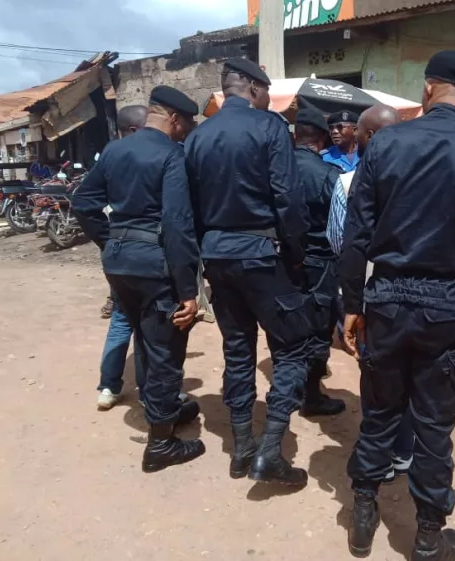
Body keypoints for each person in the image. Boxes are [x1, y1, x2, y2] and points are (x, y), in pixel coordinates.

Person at [340, 51, 455, 560]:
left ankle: (363, 518)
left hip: (388, 298)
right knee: (433, 425)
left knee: (379, 412)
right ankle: (426, 536)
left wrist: (352, 304)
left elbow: (356, 234)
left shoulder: (386, 143)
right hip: (445, 304)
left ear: (428, 88)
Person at [184, 58, 313, 487]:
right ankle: (270, 451)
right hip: (264, 254)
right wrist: (296, 254)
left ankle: (242, 448)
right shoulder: (269, 127)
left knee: (238, 349)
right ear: (254, 88)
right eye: (267, 90)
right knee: (293, 348)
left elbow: (190, 209)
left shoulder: (198, 137)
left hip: (218, 257)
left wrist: (204, 257)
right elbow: (287, 197)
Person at [73, 86, 205, 473]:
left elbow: (84, 203)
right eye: (188, 123)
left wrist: (112, 241)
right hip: (155, 266)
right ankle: (161, 445)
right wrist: (188, 291)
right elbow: (178, 225)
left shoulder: (114, 149)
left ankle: (164, 411)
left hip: (118, 264)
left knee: (146, 341)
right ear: (175, 120)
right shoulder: (171, 156)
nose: (188, 131)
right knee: (164, 350)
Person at [326, 104, 416, 483]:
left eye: (359, 133)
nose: (355, 138)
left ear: (370, 138)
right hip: (423, 293)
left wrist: (350, 302)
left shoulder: (349, 182)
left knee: (377, 376)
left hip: (370, 294)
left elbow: (338, 242)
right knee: (413, 373)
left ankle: (377, 456)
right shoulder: (426, 179)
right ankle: (405, 451)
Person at [291, 106, 346, 417]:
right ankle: (311, 395)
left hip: (285, 262)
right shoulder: (329, 175)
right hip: (321, 264)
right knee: (318, 328)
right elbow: (341, 229)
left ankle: (292, 387)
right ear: (323, 138)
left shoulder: (275, 170)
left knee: (289, 324)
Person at [96, 104, 149, 410]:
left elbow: (89, 202)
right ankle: (145, 386)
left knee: (121, 318)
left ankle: (108, 386)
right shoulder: (136, 156)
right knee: (142, 322)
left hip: (116, 251)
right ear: (132, 130)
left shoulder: (108, 157)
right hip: (139, 250)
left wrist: (105, 239)